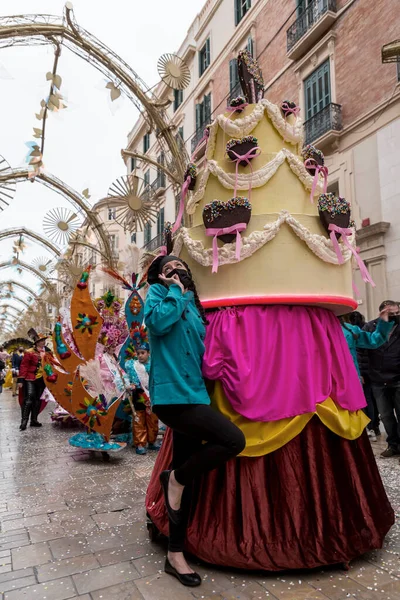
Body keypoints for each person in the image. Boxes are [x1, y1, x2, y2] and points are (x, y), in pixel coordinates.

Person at [145, 255, 246, 587]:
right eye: (170, 268)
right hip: (172, 397)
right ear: (160, 276)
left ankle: (175, 554)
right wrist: (174, 291)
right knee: (233, 441)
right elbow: (158, 324)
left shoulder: (195, 304)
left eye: (181, 268)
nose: (178, 271)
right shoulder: (160, 297)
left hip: (197, 393)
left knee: (186, 474)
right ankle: (173, 478)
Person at [341, 308, 393, 442]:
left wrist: (384, 322)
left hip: (349, 383)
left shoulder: (350, 330)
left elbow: (375, 340)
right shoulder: (313, 330)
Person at [364, 300, 400, 457]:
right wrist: (364, 373)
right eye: (391, 314)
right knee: (386, 416)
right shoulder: (370, 328)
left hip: (398, 378)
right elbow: (361, 351)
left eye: (397, 313)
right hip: (378, 380)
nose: (395, 316)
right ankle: (393, 445)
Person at [125, 340, 160, 455]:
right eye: (138, 353)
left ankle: (152, 441)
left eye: (143, 353)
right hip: (138, 396)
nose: (140, 355)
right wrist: (129, 385)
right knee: (139, 419)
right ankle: (140, 443)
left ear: (148, 353)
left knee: (153, 419)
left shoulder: (154, 366)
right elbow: (128, 380)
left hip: (152, 396)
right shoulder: (133, 366)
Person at [18, 331, 48, 430]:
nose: (43, 342)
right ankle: (24, 421)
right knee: (29, 397)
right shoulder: (29, 352)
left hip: (42, 379)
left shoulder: (47, 351)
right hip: (30, 378)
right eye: (42, 340)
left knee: (38, 400)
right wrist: (21, 380)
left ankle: (34, 420)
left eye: (44, 340)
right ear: (37, 342)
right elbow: (24, 366)